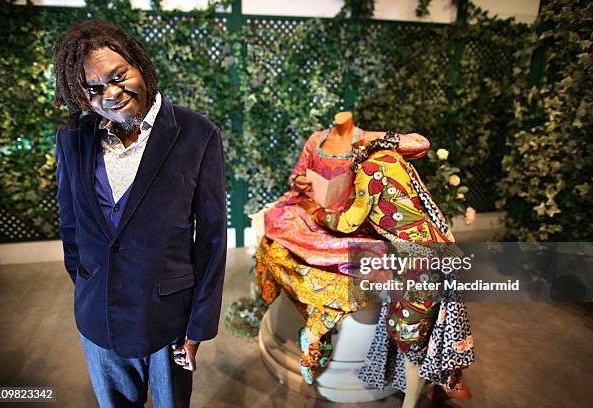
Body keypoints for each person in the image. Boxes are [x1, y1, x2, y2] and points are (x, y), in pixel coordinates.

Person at [53, 20, 227, 407]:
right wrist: (88, 283)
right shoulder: (72, 140)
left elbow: (212, 240)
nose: (111, 94)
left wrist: (198, 325)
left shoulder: (197, 134)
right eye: (94, 88)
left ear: (141, 67)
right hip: (98, 318)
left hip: (170, 320)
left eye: (119, 77)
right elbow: (71, 227)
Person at [255, 111, 430, 383]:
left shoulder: (365, 139)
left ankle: (317, 329)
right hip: (312, 211)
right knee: (277, 236)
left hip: (349, 219)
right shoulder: (316, 140)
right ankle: (314, 324)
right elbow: (296, 176)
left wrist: (375, 141)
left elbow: (420, 144)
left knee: (369, 263)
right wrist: (300, 181)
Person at [308, 131, 473, 407]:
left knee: (408, 335)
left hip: (417, 261)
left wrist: (319, 214)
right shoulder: (393, 159)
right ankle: (438, 386)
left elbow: (349, 221)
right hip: (435, 251)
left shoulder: (369, 170)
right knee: (432, 327)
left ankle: (415, 400)